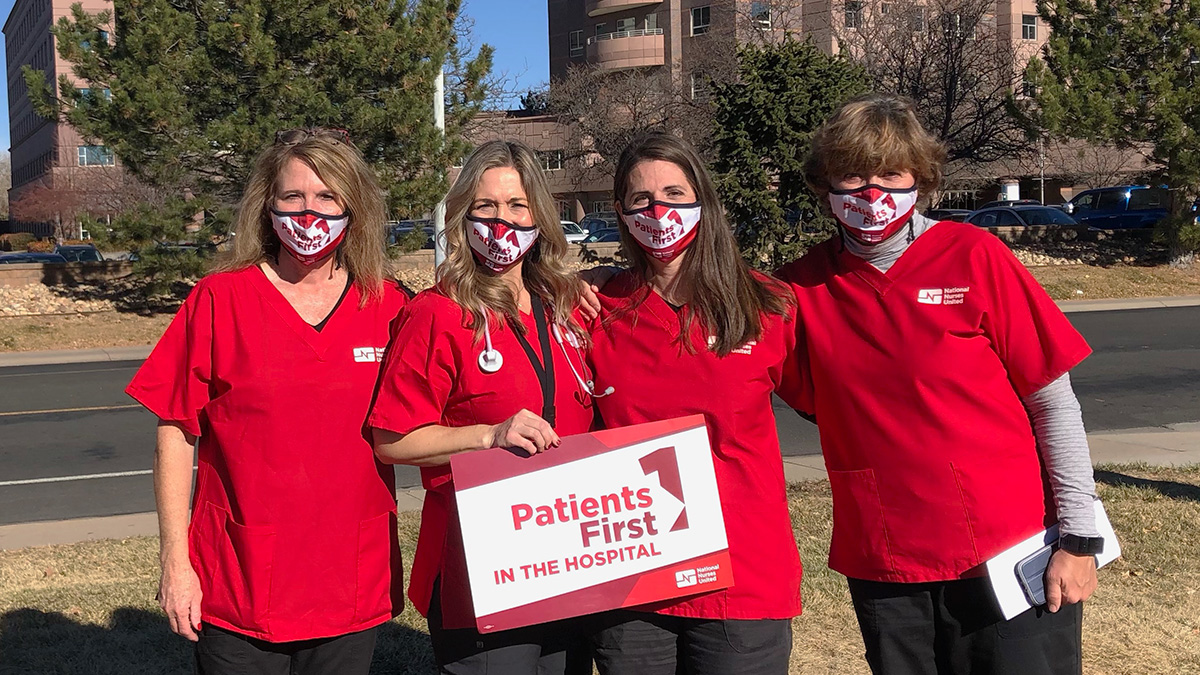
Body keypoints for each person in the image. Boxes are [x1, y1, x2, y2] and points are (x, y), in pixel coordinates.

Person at [774, 93, 1102, 675]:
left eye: (890, 174)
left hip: (1011, 548)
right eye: (851, 175)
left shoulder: (976, 256)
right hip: (887, 555)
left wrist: (1078, 539)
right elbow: (811, 401)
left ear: (919, 180)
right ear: (824, 187)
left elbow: (1052, 401)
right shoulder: (799, 290)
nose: (871, 193)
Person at [126, 128, 407, 675]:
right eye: (293, 197)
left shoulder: (390, 305)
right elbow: (175, 432)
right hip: (239, 581)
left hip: (350, 577)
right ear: (267, 205)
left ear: (355, 206)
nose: (310, 213)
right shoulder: (219, 299)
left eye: (328, 197)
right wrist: (175, 562)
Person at [369, 139, 596, 674]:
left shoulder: (567, 307)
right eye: (486, 207)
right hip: (482, 563)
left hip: (572, 555)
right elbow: (392, 439)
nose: (503, 221)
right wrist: (488, 435)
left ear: (541, 214)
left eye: (517, 206)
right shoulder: (438, 314)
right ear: (462, 216)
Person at [584, 132, 803, 675]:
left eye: (675, 194)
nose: (659, 211)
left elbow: (839, 405)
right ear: (620, 211)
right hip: (633, 574)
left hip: (743, 571)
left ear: (702, 199)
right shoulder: (594, 307)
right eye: (641, 199)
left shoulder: (767, 306)